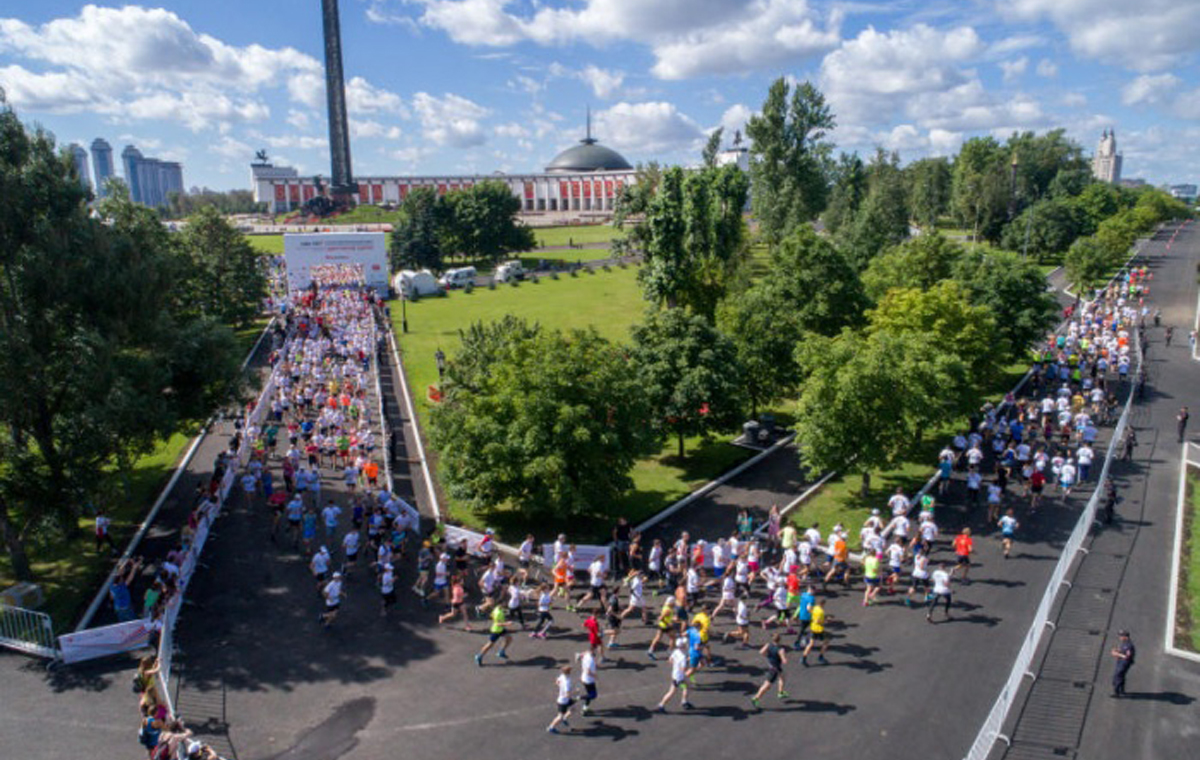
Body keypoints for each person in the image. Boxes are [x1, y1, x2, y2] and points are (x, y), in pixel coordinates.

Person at [749, 633, 789, 708]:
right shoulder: (781, 649)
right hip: (775, 669)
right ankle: (756, 698)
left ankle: (780, 692)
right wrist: (785, 658)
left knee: (782, 677)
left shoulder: (768, 645)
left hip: (772, 665)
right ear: (780, 640)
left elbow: (761, 652)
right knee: (767, 685)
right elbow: (784, 661)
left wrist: (768, 656)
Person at [655, 637, 694, 712]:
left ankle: (684, 701)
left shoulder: (676, 651)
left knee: (687, 686)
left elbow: (670, 660)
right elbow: (683, 668)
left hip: (675, 674)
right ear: (683, 646)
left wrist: (677, 665)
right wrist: (688, 665)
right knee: (672, 691)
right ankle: (661, 705)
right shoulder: (683, 657)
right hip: (680, 677)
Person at [546, 664, 574, 734]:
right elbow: (567, 695)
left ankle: (565, 718)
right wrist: (575, 692)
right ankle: (551, 727)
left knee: (573, 708)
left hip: (564, 699)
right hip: (563, 701)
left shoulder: (562, 676)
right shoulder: (567, 682)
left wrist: (560, 687)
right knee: (560, 716)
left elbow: (557, 682)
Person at [801, 598, 829, 665]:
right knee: (826, 643)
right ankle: (821, 657)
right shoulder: (821, 611)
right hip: (819, 630)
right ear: (823, 604)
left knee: (810, 644)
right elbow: (818, 621)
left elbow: (810, 610)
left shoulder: (815, 608)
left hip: (813, 628)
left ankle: (803, 658)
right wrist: (825, 621)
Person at [1110, 629, 1136, 697]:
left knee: (1118, 676)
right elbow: (1123, 650)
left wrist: (1117, 654)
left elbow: (1127, 656)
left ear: (1126, 636)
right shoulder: (1125, 643)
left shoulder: (1129, 645)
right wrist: (1117, 650)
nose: (1120, 638)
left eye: (1121, 636)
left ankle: (1116, 693)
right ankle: (1122, 691)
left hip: (1124, 663)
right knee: (1121, 676)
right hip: (1121, 662)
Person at [577, 648, 599, 715]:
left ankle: (584, 709)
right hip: (589, 680)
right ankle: (579, 697)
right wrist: (595, 676)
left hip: (584, 678)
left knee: (589, 694)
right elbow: (588, 671)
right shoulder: (590, 660)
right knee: (593, 695)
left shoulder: (587, 655)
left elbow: (580, 655)